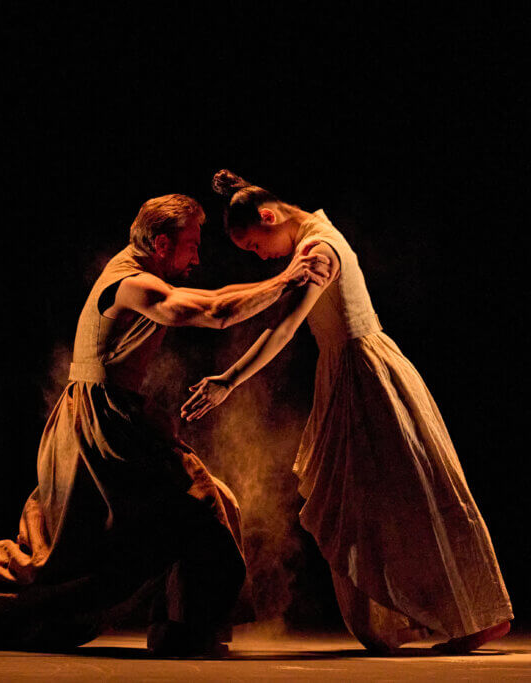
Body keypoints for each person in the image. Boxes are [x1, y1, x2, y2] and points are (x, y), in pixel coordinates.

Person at [0, 193, 331, 657]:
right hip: (101, 423)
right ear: (160, 243)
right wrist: (285, 280)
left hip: (104, 417)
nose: (198, 257)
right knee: (198, 510)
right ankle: (185, 632)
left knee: (65, 552)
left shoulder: (140, 273)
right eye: (191, 246)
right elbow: (212, 311)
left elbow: (212, 299)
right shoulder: (131, 284)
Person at [181, 171, 513, 654]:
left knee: (413, 492)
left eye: (255, 244)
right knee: (369, 501)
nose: (260, 256)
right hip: (344, 372)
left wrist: (227, 381)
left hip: (365, 373)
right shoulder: (311, 231)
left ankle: (472, 614)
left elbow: (285, 327)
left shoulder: (319, 251)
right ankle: (407, 618)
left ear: (270, 218)